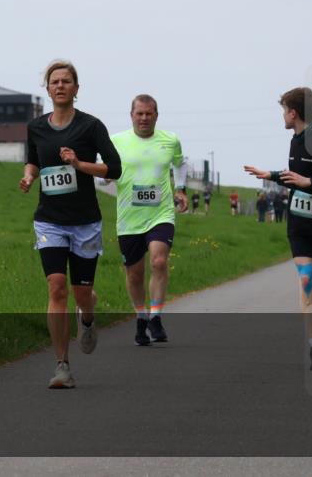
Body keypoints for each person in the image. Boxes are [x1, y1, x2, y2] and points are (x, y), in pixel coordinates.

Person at [20, 60, 121, 388]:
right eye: (54, 81)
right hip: (49, 221)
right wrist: (28, 176)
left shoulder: (91, 127)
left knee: (82, 293)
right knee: (56, 286)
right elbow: (33, 159)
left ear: (76, 89)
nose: (60, 86)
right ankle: (62, 365)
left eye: (66, 81)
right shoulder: (36, 127)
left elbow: (114, 169)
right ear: (47, 89)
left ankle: (88, 318)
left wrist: (79, 164)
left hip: (85, 223)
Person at [244, 86, 312, 371]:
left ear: (293, 113)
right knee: (307, 283)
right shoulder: (296, 140)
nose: (282, 115)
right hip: (301, 228)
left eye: (284, 110)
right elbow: (296, 176)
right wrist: (269, 174)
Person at [111, 94, 188, 346]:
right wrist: (102, 176)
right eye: (139, 113)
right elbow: (105, 168)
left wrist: (181, 189)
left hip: (161, 213)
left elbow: (180, 163)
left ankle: (156, 316)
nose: (144, 118)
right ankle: (141, 317)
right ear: (131, 115)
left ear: (156, 115)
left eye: (149, 113)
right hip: (129, 218)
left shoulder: (169, 140)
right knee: (134, 274)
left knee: (158, 260)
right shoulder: (117, 141)